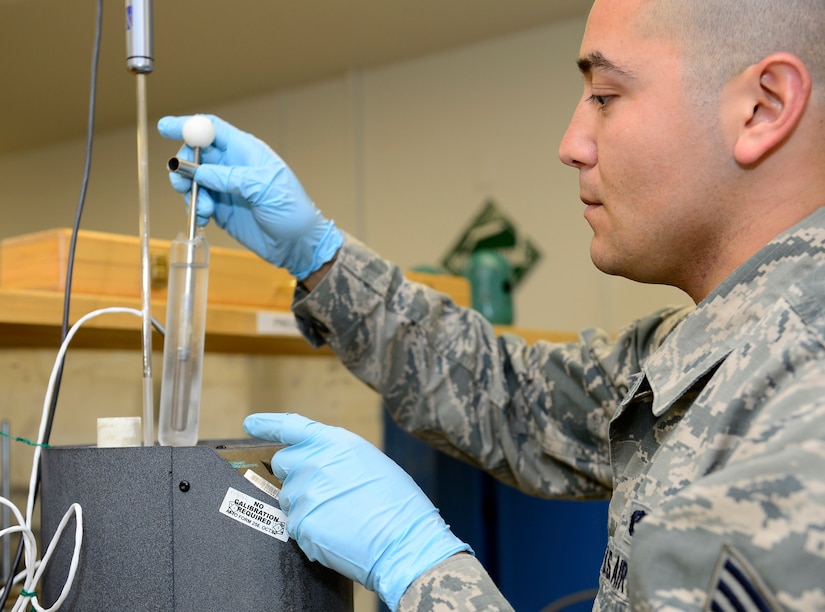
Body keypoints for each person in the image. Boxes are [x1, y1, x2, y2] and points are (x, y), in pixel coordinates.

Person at [158, 0, 825, 609]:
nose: (571, 145)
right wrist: (319, 258)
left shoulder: (804, 408)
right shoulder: (707, 345)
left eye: (605, 95)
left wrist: (422, 570)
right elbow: (512, 398)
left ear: (763, 107)